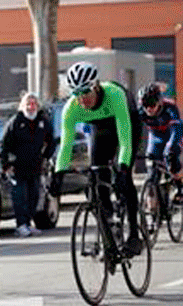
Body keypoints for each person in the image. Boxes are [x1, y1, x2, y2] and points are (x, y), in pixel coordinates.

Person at [50, 61, 143, 256]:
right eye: (75, 93)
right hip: (102, 129)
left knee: (125, 179)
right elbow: (66, 146)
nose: (81, 98)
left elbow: (125, 141)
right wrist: (58, 174)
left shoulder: (114, 95)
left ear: (96, 86)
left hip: (127, 121)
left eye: (85, 92)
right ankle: (108, 224)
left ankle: (134, 235)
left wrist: (124, 169)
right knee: (96, 177)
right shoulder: (71, 109)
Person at [0, 92, 55, 237]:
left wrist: (46, 157)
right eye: (27, 104)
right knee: (20, 197)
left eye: (33, 104)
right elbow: (4, 145)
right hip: (18, 167)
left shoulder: (43, 121)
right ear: (22, 106)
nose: (31, 107)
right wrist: (5, 164)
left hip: (35, 167)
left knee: (34, 196)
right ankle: (20, 225)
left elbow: (51, 141)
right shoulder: (15, 122)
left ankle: (28, 223)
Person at [137, 82, 183, 203]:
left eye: (152, 104)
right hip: (156, 136)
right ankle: (154, 200)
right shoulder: (140, 112)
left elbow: (177, 130)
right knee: (152, 166)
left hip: (172, 133)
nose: (149, 108)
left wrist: (171, 148)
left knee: (171, 157)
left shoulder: (170, 107)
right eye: (145, 104)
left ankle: (179, 186)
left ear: (160, 101)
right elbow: (133, 132)